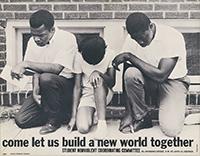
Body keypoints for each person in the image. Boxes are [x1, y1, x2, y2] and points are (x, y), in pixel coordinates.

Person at [112, 12, 190, 137]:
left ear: (151, 26)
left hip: (173, 81)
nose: (140, 42)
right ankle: (142, 117)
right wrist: (129, 113)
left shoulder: (171, 36)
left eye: (143, 37)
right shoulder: (131, 39)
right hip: (149, 80)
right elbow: (126, 77)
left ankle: (177, 106)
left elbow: (161, 76)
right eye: (135, 39)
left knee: (171, 130)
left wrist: (129, 56)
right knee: (131, 73)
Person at [11, 10, 78, 135]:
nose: (36, 39)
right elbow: (36, 70)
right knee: (22, 120)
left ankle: (54, 121)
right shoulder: (32, 42)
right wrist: (36, 91)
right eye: (33, 34)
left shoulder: (67, 38)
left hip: (65, 88)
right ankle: (61, 113)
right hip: (45, 88)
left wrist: (25, 64)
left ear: (52, 30)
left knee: (46, 78)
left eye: (41, 35)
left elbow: (57, 68)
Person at [67, 36, 116, 139]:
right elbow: (77, 87)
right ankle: (94, 113)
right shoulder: (79, 56)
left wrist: (98, 73)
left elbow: (112, 82)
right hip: (87, 95)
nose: (92, 64)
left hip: (104, 92)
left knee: (97, 81)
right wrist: (73, 116)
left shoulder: (110, 54)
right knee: (83, 128)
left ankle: (102, 124)